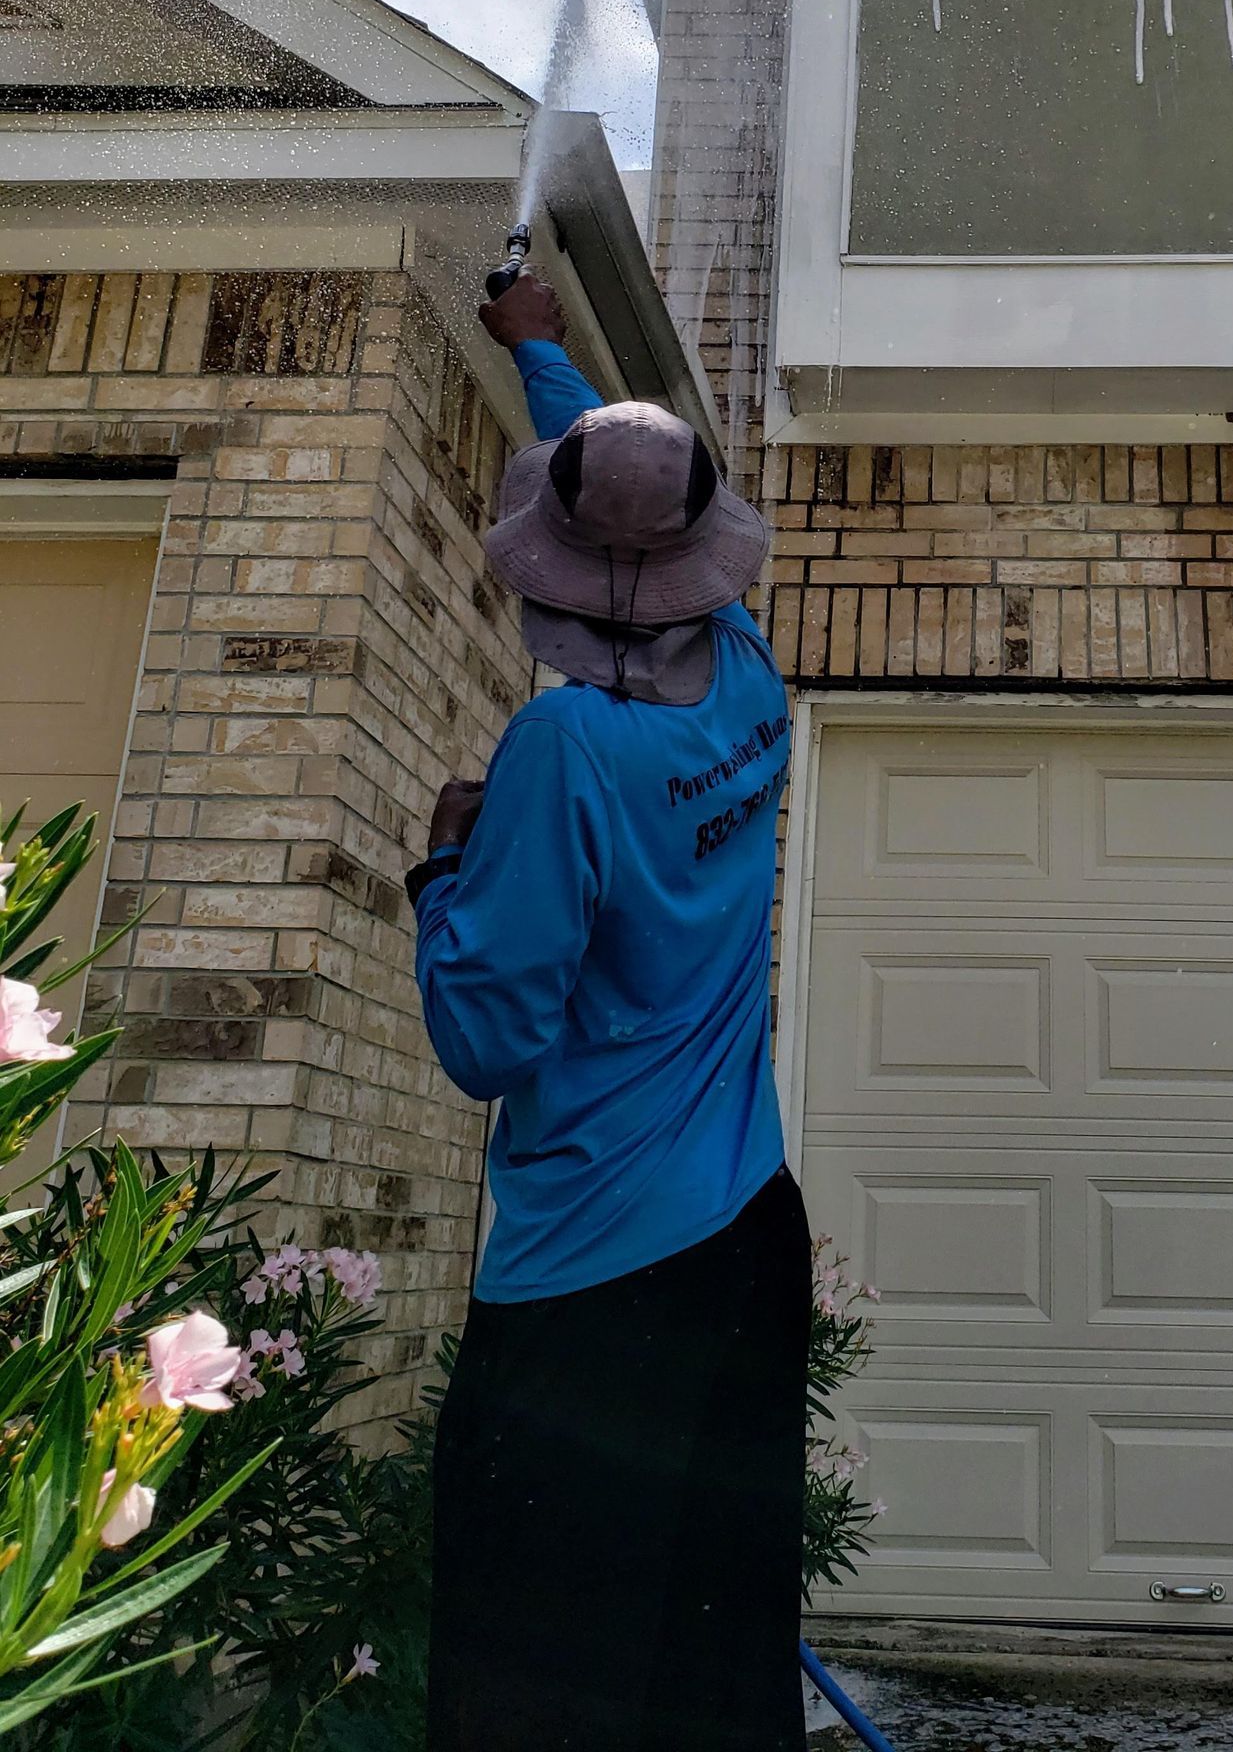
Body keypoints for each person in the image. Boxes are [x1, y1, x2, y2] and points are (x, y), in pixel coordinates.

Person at [409, 268, 807, 1752]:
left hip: (593, 1292)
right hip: (748, 1241)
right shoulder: (752, 677)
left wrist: (447, 865)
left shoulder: (564, 749)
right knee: (709, 1662)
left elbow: (486, 1042)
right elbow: (638, 515)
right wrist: (545, 354)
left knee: (539, 1677)